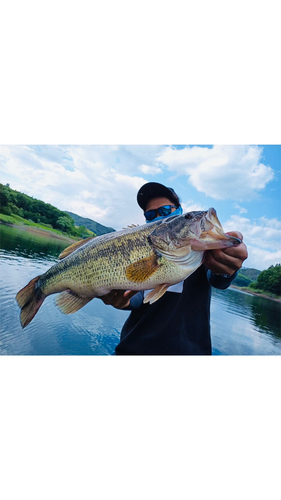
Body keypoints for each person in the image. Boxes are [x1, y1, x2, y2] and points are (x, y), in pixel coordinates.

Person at [99, 182, 248, 355]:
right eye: (150, 214)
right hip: (131, 349)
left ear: (179, 211)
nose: (158, 217)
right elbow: (137, 298)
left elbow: (218, 278)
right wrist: (122, 301)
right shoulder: (143, 250)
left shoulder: (201, 252)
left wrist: (227, 266)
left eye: (164, 211)